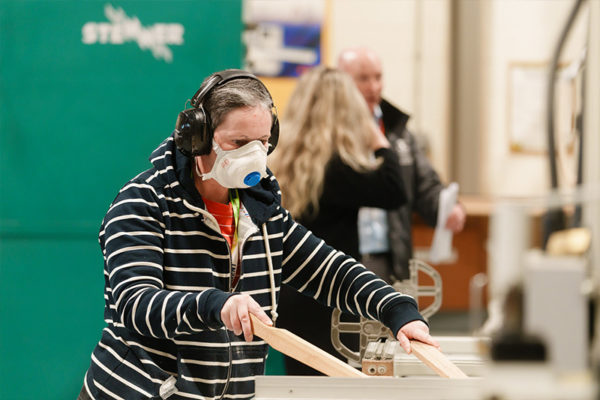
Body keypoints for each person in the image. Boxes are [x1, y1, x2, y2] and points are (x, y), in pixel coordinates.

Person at [79, 69, 438, 400]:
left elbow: (329, 271)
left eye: (262, 141)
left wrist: (396, 309)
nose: (253, 155)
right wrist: (216, 304)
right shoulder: (143, 202)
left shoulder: (259, 209)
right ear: (197, 138)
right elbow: (136, 304)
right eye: (238, 142)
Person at [269, 65, 411, 375]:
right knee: (333, 385)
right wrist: (377, 139)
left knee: (303, 383)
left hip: (291, 292)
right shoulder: (338, 168)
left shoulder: (285, 160)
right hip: (331, 293)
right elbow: (395, 190)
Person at [338, 47, 467, 282]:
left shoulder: (398, 131)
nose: (374, 87)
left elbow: (425, 184)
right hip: (341, 257)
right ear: (341, 82)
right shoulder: (327, 131)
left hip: (390, 259)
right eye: (363, 79)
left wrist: (447, 208)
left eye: (378, 77)